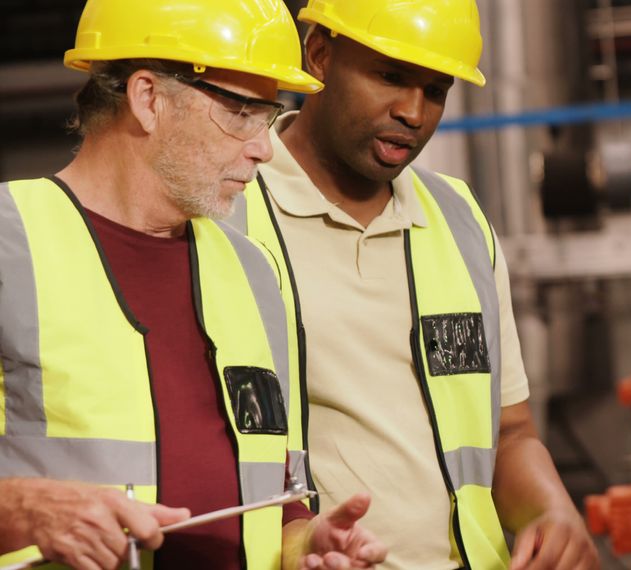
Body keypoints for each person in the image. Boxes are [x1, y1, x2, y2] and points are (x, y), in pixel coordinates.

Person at [0, 1, 387, 569]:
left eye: (270, 113)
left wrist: (308, 545)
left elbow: (275, 503)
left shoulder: (253, 273)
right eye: (240, 112)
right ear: (148, 98)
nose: (266, 145)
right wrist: (21, 510)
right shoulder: (9, 243)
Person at [227, 1, 600, 568]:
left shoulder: (459, 221)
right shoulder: (227, 217)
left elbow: (512, 431)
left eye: (436, 89)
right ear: (319, 54)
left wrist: (552, 510)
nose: (413, 111)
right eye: (390, 77)